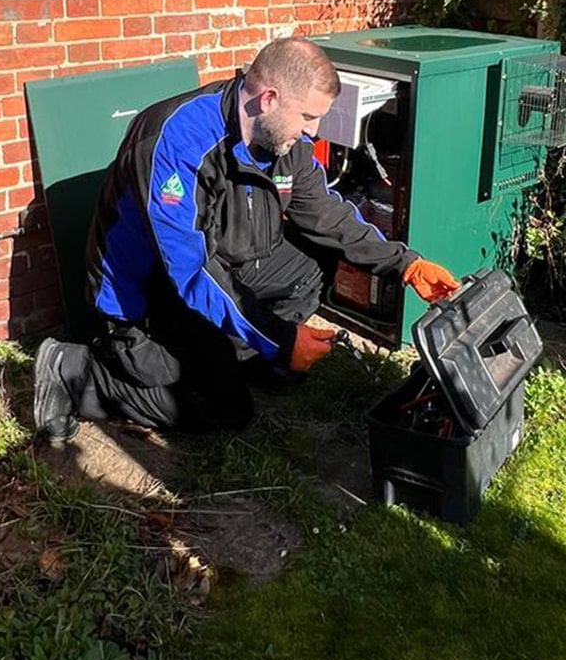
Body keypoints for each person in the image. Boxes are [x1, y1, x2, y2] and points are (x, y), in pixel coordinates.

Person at [32, 36, 459, 442]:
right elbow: (192, 271)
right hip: (148, 295)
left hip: (223, 264)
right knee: (224, 410)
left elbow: (325, 212)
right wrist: (281, 338)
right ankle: (73, 370)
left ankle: (251, 358)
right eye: (308, 117)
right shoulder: (178, 143)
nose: (313, 131)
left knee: (314, 259)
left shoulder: (281, 138)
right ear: (269, 98)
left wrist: (404, 263)